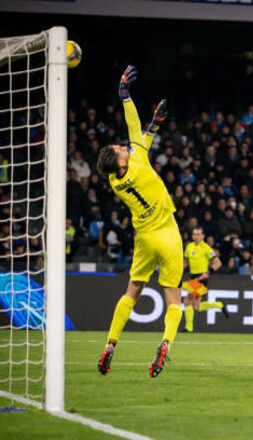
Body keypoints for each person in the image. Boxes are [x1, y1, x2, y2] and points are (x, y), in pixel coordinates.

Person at [96, 65, 183, 378]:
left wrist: (154, 126)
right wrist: (125, 96)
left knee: (131, 292)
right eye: (120, 150)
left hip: (144, 238)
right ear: (121, 160)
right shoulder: (137, 161)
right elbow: (135, 130)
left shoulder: (116, 181)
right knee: (174, 298)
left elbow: (141, 139)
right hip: (168, 234)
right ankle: (165, 344)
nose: (124, 147)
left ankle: (110, 344)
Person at [181, 226, 228, 333]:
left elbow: (218, 263)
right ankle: (219, 305)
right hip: (193, 277)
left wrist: (208, 272)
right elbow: (186, 262)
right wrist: (179, 270)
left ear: (203, 236)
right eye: (194, 234)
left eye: (198, 234)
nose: (196, 237)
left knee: (187, 301)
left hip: (202, 278)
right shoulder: (189, 247)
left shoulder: (207, 248)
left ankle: (189, 328)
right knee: (196, 307)